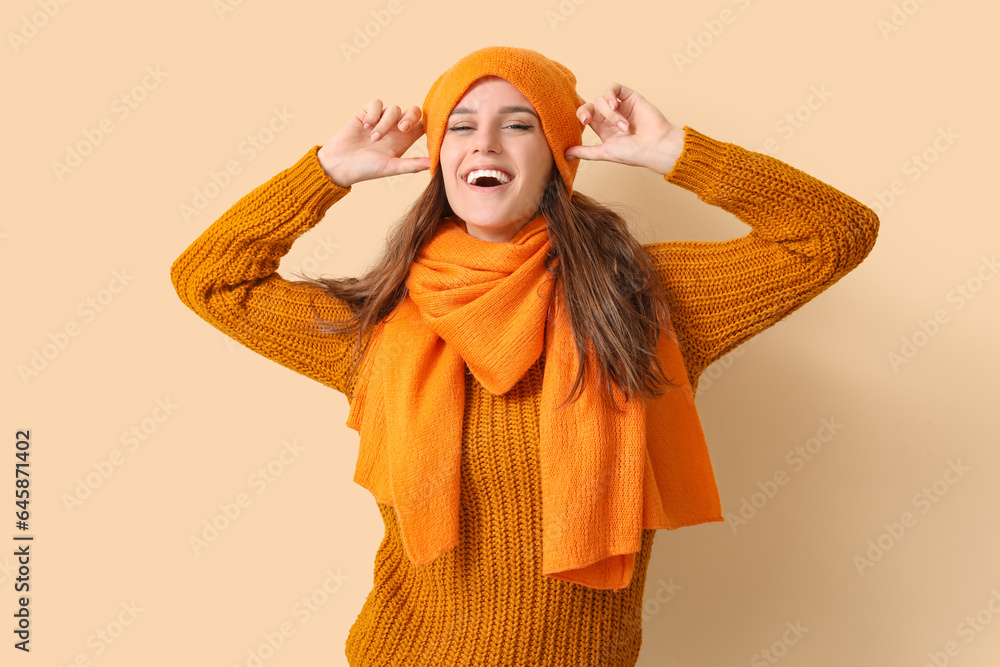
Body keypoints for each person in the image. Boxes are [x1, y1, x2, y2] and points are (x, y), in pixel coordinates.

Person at [170, 46, 878, 667]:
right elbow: (210, 278)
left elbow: (832, 234)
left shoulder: (644, 302)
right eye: (461, 126)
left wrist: (677, 153)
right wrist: (326, 172)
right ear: (438, 158)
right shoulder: (384, 323)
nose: (486, 144)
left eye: (519, 124)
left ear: (560, 154)